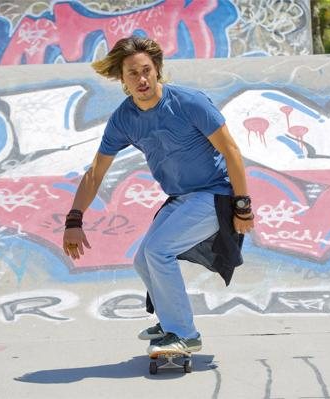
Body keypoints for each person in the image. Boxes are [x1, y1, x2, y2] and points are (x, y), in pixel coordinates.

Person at [62, 36, 254, 354]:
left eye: (146, 70)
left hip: (214, 193)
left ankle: (184, 333)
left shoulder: (189, 103)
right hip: (181, 197)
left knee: (159, 251)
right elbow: (96, 171)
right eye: (133, 73)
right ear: (122, 80)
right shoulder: (124, 119)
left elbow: (232, 151)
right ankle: (170, 322)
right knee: (143, 259)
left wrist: (243, 206)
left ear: (157, 70)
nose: (141, 79)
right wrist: (74, 218)